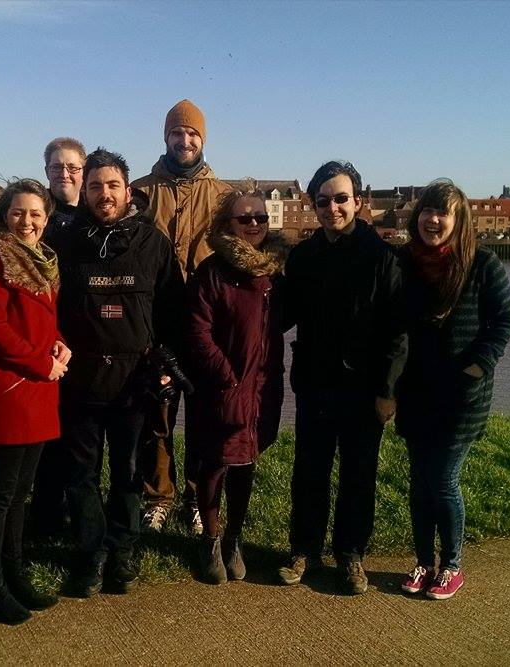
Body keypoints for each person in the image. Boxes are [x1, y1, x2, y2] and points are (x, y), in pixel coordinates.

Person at [56, 148, 185, 597]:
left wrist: (168, 364)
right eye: (94, 186)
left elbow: (174, 313)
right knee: (82, 474)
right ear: (84, 191)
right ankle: (91, 554)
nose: (104, 194)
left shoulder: (154, 244)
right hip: (81, 382)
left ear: (128, 191)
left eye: (112, 185)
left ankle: (122, 550)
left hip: (136, 384)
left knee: (129, 473)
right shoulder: (66, 243)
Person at [279, 161, 407, 595]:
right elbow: (282, 315)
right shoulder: (303, 258)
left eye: (340, 198)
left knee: (358, 475)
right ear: (313, 206)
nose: (332, 207)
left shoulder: (383, 258)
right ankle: (305, 549)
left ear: (358, 201)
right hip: (315, 383)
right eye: (323, 200)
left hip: (364, 389)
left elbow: (397, 331)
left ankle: (351, 555)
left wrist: (388, 391)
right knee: (309, 472)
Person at [396, 179, 510, 600]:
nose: (433, 219)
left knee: (443, 479)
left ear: (459, 220)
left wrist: (477, 366)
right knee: (418, 482)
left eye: (443, 213)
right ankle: (423, 562)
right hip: (416, 392)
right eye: (428, 211)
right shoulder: (406, 263)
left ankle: (451, 566)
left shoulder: (483, 264)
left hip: (462, 396)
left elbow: (504, 321)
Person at [0, 179, 69, 624]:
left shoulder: (45, 262)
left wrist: (61, 345)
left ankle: (15, 573)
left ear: (45, 220)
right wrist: (39, 363)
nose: (26, 222)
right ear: (3, 216)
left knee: (20, 494)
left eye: (35, 215)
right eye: (17, 213)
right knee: (0, 496)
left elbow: (44, 322)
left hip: (38, 390)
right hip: (8, 390)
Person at [132, 99, 233, 535]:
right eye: (178, 132)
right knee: (157, 416)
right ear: (166, 137)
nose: (185, 140)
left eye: (192, 134)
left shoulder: (226, 197)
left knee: (204, 416)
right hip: (157, 323)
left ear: (203, 139)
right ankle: (157, 496)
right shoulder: (139, 191)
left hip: (207, 325)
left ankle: (197, 495)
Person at [185, 185, 287, 584]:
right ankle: (210, 540)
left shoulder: (276, 271)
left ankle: (233, 540)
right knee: (214, 464)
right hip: (221, 386)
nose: (254, 224)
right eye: (245, 218)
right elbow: (197, 331)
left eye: (260, 217)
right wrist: (226, 377)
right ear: (227, 223)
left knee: (246, 465)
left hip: (264, 388)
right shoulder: (212, 273)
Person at [28, 137, 87, 542]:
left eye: (71, 167)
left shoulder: (94, 214)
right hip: (46, 336)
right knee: (46, 436)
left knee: (79, 436)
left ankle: (78, 513)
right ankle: (45, 514)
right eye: (55, 167)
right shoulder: (36, 215)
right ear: (46, 171)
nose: (63, 174)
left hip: (87, 335)